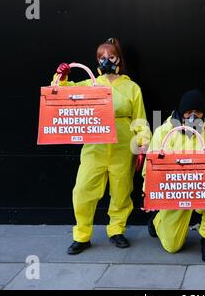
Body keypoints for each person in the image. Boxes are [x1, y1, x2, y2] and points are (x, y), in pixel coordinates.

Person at [53, 38, 151, 255]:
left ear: (119, 58)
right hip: (94, 147)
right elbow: (60, 93)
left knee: (121, 191)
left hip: (123, 147)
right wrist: (62, 76)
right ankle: (82, 235)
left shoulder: (131, 87)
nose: (106, 61)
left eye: (110, 56)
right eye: (101, 57)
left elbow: (140, 119)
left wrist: (143, 144)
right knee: (82, 191)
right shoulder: (90, 84)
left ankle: (116, 231)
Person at [143, 89, 205, 262]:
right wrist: (148, 193)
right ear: (181, 112)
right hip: (176, 191)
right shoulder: (163, 132)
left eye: (197, 112)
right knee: (172, 247)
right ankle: (158, 221)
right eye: (188, 112)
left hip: (200, 187)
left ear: (203, 113)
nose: (193, 116)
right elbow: (151, 166)